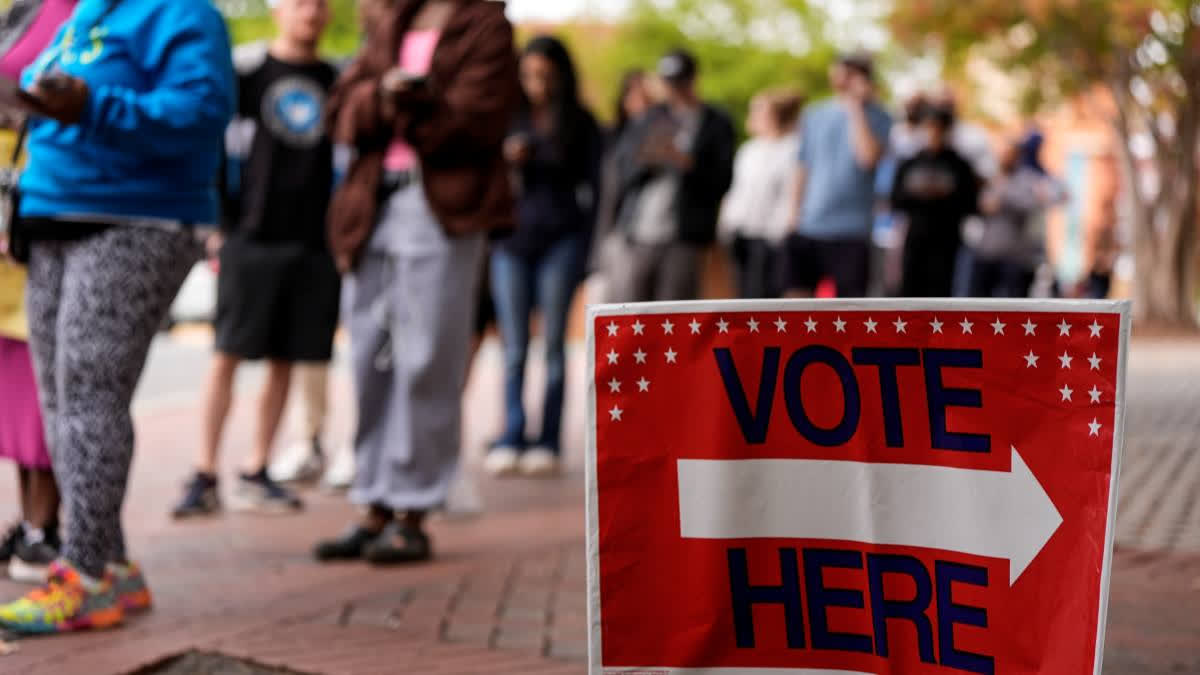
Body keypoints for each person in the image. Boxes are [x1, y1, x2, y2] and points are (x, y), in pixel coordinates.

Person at [0, 0, 234, 634]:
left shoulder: (184, 14)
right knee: (61, 402)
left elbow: (201, 115)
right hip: (52, 216)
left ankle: (85, 575)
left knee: (89, 397)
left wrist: (90, 106)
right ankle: (115, 564)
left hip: (137, 220)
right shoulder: (84, 16)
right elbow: (58, 109)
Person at [313, 0, 519, 564]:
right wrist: (383, 98)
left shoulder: (487, 24)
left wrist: (414, 102)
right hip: (371, 205)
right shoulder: (388, 18)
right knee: (368, 358)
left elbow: (479, 120)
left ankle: (413, 509)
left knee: (427, 357)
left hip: (442, 210)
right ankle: (372, 503)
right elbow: (340, 110)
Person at [171, 0, 337, 519]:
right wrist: (218, 226)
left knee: (287, 357)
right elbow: (212, 147)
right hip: (250, 237)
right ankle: (204, 473)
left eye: (319, 3)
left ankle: (257, 468)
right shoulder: (246, 74)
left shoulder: (338, 81)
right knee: (228, 353)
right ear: (278, 9)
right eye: (299, 2)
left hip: (312, 243)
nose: (309, 11)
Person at [483, 36, 602, 477]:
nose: (537, 84)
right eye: (529, 75)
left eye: (546, 76)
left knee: (554, 347)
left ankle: (548, 440)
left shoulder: (581, 123)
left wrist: (589, 251)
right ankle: (511, 433)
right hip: (510, 242)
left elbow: (596, 190)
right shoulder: (505, 118)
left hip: (561, 240)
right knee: (513, 347)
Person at [0, 0, 74, 586]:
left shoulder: (89, 13)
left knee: (43, 375)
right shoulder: (19, 9)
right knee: (13, 380)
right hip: (9, 204)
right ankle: (28, 524)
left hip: (41, 208)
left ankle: (44, 528)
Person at [598, 49, 735, 302]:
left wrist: (687, 163)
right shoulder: (650, 118)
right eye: (669, 82)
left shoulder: (716, 122)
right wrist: (650, 159)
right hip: (638, 232)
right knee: (632, 313)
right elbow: (623, 170)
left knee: (674, 314)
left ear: (693, 79)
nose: (675, 89)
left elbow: (723, 181)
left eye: (680, 81)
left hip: (685, 236)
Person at [784, 53, 892, 298]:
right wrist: (793, 214)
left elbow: (867, 158)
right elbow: (803, 165)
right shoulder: (814, 114)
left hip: (852, 230)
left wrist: (856, 108)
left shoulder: (880, 116)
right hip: (809, 226)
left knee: (849, 310)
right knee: (794, 303)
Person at [890, 102, 981, 297]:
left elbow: (970, 204)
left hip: (946, 241)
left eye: (938, 127)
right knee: (909, 294)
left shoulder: (960, 166)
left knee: (941, 294)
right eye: (928, 126)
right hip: (915, 238)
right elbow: (895, 201)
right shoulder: (910, 163)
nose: (933, 133)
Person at [718, 89, 801, 298]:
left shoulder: (792, 150)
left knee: (763, 295)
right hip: (741, 233)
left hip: (771, 238)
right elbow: (738, 191)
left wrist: (782, 230)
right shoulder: (748, 150)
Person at [964, 138, 1068, 298]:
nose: (1005, 158)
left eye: (1010, 154)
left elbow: (1047, 199)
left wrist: (1005, 198)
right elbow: (978, 205)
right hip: (987, 252)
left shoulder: (1028, 179)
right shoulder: (990, 178)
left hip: (1016, 257)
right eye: (1002, 154)